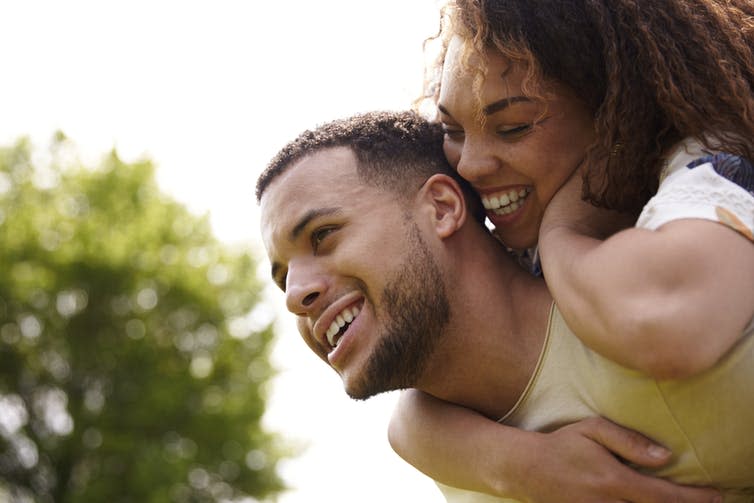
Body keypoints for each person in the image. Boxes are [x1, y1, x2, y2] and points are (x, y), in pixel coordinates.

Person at [256, 110, 752, 502]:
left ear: (443, 208)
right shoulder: (462, 465)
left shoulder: (661, 278)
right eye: (282, 279)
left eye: (323, 235)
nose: (296, 295)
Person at [390, 0, 754, 498]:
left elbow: (668, 326)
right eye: (453, 130)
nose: (470, 165)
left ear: (617, 105)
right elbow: (413, 416)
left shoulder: (720, 163)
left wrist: (565, 231)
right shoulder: (519, 235)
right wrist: (521, 463)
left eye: (513, 126)